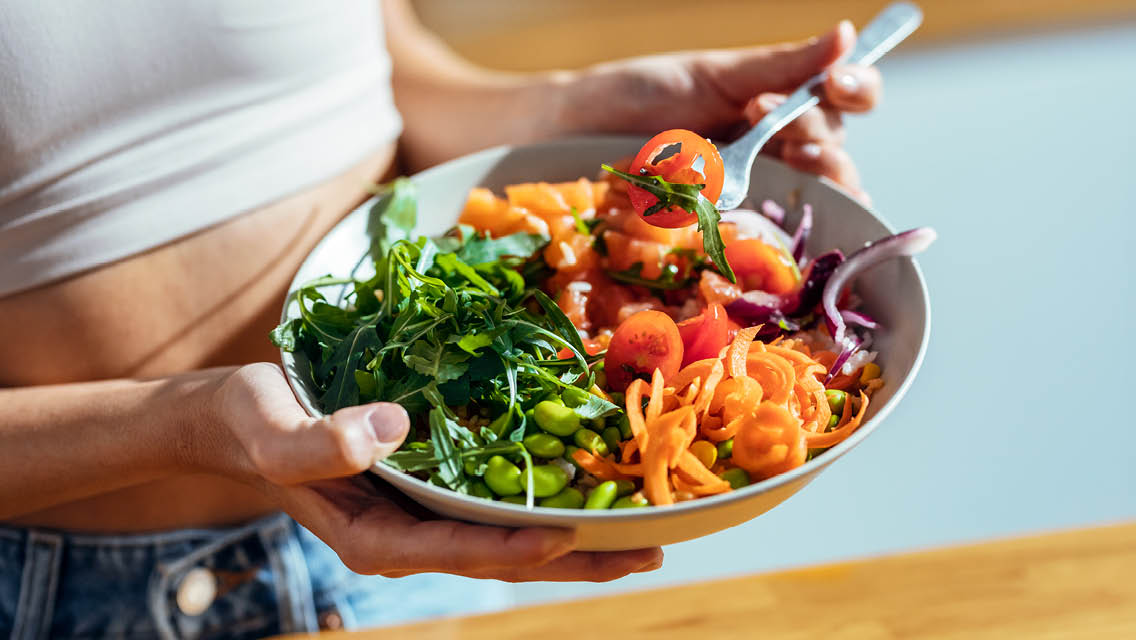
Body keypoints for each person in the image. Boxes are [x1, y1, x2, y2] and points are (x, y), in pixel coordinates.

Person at [0, 1, 882, 637]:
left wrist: (561, 111)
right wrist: (181, 425)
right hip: (68, 599)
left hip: (411, 554)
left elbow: (373, 72)